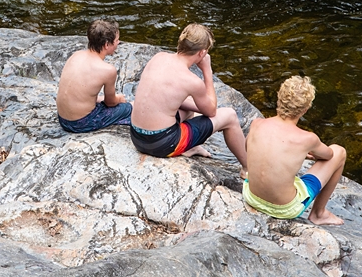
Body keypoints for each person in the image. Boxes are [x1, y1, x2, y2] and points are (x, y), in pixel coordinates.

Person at [130, 23, 248, 178]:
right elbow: (212, 110)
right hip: (162, 145)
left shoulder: (158, 57)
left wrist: (197, 107)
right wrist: (207, 71)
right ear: (202, 53)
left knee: (189, 102)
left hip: (137, 138)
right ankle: (247, 169)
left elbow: (167, 100)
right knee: (230, 116)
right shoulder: (191, 81)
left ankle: (192, 147)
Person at [243, 75, 347, 225]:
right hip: (284, 208)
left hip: (251, 196)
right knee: (339, 151)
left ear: (279, 99)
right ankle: (319, 213)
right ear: (305, 110)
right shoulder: (307, 139)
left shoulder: (257, 124)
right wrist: (306, 152)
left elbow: (249, 148)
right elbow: (328, 155)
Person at [56, 19, 133, 133]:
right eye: (116, 40)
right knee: (131, 107)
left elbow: (80, 91)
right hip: (80, 123)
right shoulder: (108, 70)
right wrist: (120, 99)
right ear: (107, 44)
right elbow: (110, 103)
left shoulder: (76, 55)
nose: (118, 42)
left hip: (62, 119)